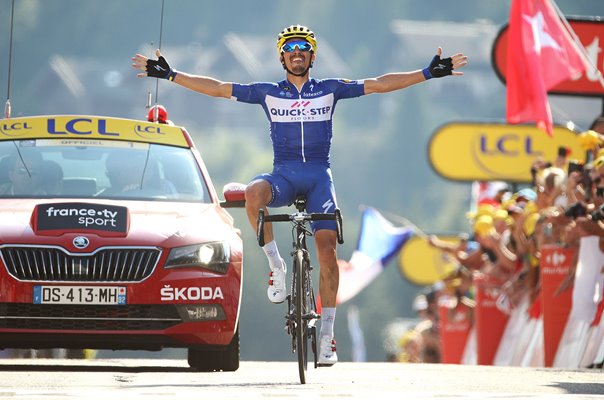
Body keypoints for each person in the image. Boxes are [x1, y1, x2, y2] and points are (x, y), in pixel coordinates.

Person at [132, 24, 468, 366]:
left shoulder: (330, 89)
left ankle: (326, 337)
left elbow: (381, 84)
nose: (296, 52)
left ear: (311, 55)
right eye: (290, 47)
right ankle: (276, 265)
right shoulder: (268, 92)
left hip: (319, 177)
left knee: (326, 253)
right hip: (285, 175)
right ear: (282, 57)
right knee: (254, 192)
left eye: (303, 47)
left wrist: (427, 73)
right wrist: (172, 74)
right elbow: (218, 89)